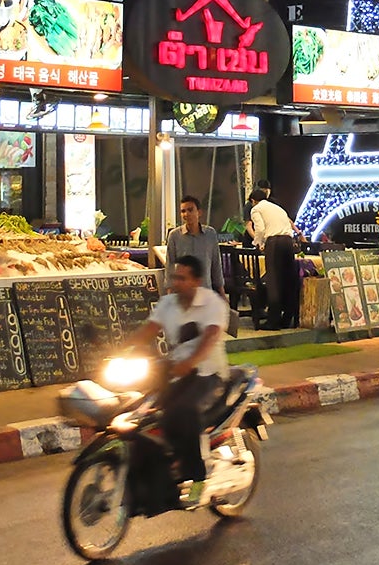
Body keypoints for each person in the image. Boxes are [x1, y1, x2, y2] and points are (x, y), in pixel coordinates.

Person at [122, 255, 229, 508]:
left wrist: (189, 362)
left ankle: (198, 477)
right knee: (143, 416)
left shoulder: (212, 303)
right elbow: (147, 331)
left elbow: (210, 338)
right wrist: (119, 349)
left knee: (182, 411)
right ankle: (160, 480)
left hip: (208, 374)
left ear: (196, 281)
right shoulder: (167, 303)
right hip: (176, 371)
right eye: (175, 277)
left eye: (182, 278)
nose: (175, 283)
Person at [248, 187, 300, 329]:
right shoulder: (278, 208)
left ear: (253, 201)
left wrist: (258, 243)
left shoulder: (256, 209)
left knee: (274, 282)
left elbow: (260, 229)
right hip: (288, 242)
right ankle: (287, 318)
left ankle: (273, 321)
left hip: (274, 243)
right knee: (288, 281)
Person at [166, 195, 222, 297]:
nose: (186, 214)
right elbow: (170, 266)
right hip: (182, 294)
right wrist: (169, 294)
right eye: (183, 211)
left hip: (205, 291)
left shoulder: (210, 234)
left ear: (199, 212)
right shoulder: (174, 236)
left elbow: (216, 264)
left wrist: (221, 292)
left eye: (190, 210)